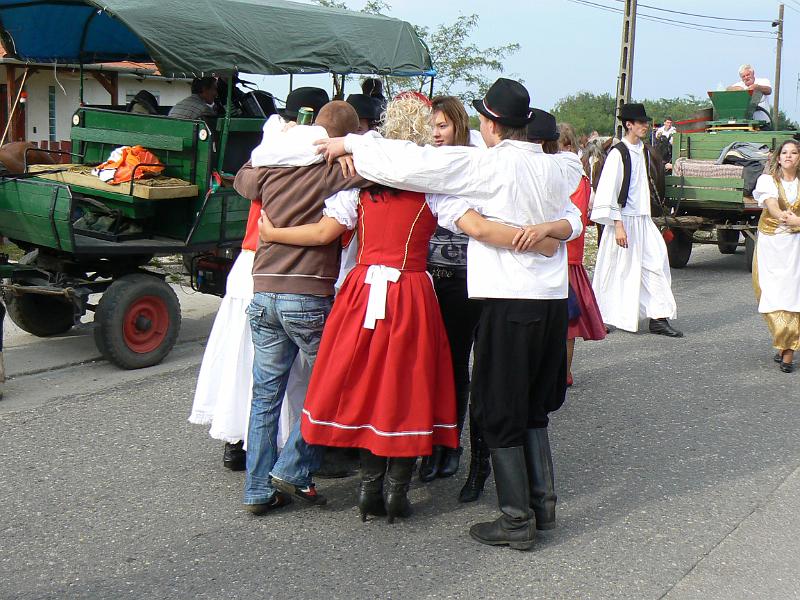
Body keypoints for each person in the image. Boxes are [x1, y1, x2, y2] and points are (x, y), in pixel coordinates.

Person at [261, 92, 562, 526]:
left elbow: (325, 230)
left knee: (366, 384)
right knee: (406, 388)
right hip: (411, 291)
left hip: (364, 291)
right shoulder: (433, 191)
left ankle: (369, 488)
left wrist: (274, 234)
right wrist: (542, 241)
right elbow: (477, 226)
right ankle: (396, 490)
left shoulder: (359, 184)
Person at [232, 101, 369, 515]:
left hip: (263, 290)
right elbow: (382, 165)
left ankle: (256, 490)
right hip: (307, 294)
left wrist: (274, 143)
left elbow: (242, 179)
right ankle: (292, 466)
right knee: (333, 383)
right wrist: (352, 149)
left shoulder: (270, 166)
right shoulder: (335, 170)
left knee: (265, 396)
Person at [420, 95, 488, 503]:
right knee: (444, 366)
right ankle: (442, 444)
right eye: (432, 126)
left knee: (468, 367)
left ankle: (461, 450)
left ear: (459, 125)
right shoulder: (426, 162)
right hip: (436, 278)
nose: (436, 133)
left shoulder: (478, 161)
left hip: (473, 278)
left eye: (442, 125)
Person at [590, 103, 683, 338]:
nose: (645, 126)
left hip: (642, 219)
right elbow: (608, 191)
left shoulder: (644, 151)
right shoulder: (618, 153)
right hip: (623, 220)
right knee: (616, 269)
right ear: (629, 125)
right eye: (640, 122)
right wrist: (618, 225)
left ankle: (658, 317)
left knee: (657, 263)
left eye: (645, 122)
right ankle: (604, 316)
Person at [556, 122, 607, 386]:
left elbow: (574, 217)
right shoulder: (579, 175)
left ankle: (562, 372)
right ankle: (561, 372)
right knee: (566, 323)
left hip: (564, 256)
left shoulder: (570, 175)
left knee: (567, 321)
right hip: (568, 255)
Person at [752, 139, 800, 373]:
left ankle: (788, 351)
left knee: (792, 295)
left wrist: (797, 220)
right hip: (771, 244)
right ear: (778, 158)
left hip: (795, 245)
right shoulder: (767, 180)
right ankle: (783, 342)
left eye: (794, 152)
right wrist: (781, 215)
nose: (789, 156)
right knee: (770, 293)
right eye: (785, 153)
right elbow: (771, 203)